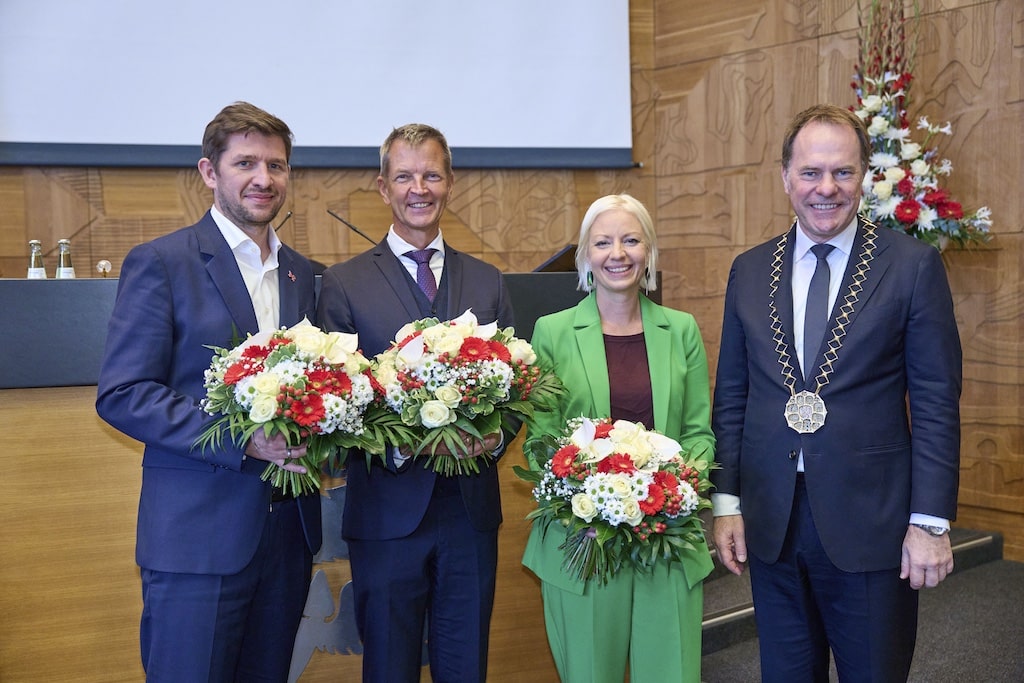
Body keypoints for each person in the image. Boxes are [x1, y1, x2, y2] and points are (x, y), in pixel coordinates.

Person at [711, 103, 962, 681]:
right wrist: (727, 503)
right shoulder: (750, 270)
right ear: (785, 178)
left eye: (842, 172)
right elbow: (733, 395)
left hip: (873, 521)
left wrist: (930, 522)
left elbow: (935, 402)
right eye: (810, 172)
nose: (826, 188)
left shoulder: (912, 267)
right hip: (772, 522)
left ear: (864, 176)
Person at [96, 101, 322, 682]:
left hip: (287, 538)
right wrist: (244, 439)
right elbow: (124, 392)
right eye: (245, 163)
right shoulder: (162, 262)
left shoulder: (304, 274)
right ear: (209, 172)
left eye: (276, 165)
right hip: (196, 542)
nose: (263, 178)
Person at [316, 123, 516, 683]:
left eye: (431, 175)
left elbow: (516, 389)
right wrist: (404, 445)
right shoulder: (343, 284)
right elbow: (339, 405)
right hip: (386, 513)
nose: (419, 189)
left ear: (450, 183)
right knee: (388, 668)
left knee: (466, 667)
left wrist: (493, 438)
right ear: (384, 188)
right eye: (404, 176)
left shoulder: (488, 281)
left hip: (470, 515)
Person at [521, 194, 716, 682]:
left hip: (666, 538)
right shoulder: (552, 331)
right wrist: (588, 491)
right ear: (585, 256)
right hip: (582, 540)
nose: (618, 253)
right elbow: (541, 441)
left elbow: (698, 432)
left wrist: (674, 491)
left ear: (648, 251)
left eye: (631, 240)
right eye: (603, 242)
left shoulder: (682, 330)